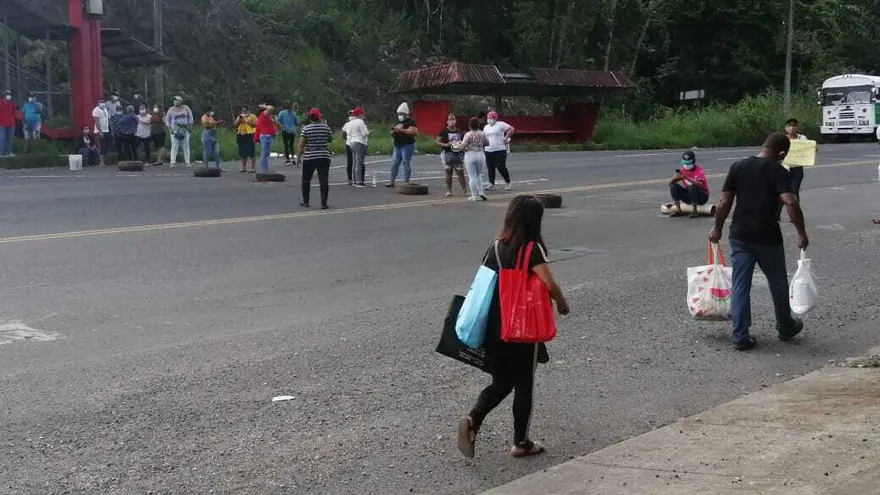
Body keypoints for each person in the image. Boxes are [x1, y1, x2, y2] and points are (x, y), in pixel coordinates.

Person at [457, 195, 570, 459]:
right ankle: (521, 442)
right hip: (520, 327)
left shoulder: (494, 247)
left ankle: (473, 420)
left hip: (492, 328)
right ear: (533, 221)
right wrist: (562, 303)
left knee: (502, 381)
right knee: (524, 384)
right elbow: (549, 284)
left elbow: (484, 285)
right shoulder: (530, 250)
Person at [709, 132, 808, 351]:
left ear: (763, 146)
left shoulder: (738, 166)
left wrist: (717, 227)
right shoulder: (778, 171)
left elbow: (725, 200)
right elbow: (790, 202)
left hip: (740, 235)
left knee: (740, 285)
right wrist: (801, 232)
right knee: (778, 283)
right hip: (767, 237)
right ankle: (785, 326)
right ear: (782, 153)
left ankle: (740, 336)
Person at [297, 108, 333, 209]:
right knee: (323, 180)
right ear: (319, 117)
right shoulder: (326, 128)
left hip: (310, 156)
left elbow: (301, 144)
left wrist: (298, 157)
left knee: (306, 180)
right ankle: (324, 203)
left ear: (310, 118)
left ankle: (306, 201)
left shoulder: (306, 129)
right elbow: (330, 139)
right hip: (324, 156)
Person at [668, 150, 710, 218]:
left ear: (693, 162)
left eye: (688, 163)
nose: (686, 165)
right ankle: (678, 210)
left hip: (701, 196)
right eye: (685, 163)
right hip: (689, 196)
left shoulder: (699, 170)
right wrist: (675, 178)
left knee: (692, 187)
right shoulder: (683, 170)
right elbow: (669, 184)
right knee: (673, 186)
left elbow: (700, 185)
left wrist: (687, 178)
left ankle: (694, 211)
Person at [436, 113, 468, 197]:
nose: (451, 121)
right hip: (447, 154)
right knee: (448, 172)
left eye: (453, 119)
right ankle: (449, 191)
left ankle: (465, 191)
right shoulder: (444, 131)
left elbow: (464, 141)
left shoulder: (459, 131)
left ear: (455, 121)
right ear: (447, 121)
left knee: (460, 172)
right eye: (449, 119)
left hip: (458, 154)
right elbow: (437, 141)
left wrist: (463, 146)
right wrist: (445, 145)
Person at [387, 102, 418, 187]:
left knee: (405, 162)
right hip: (397, 144)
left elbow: (413, 132)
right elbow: (392, 132)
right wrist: (393, 132)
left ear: (405, 114)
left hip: (407, 144)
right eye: (398, 114)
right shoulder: (397, 122)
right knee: (395, 162)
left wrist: (401, 130)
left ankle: (406, 181)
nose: (399, 115)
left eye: (401, 114)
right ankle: (392, 181)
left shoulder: (410, 122)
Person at [483, 111, 515, 190]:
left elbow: (511, 129)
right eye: (488, 118)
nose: (490, 119)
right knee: (490, 167)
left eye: (491, 118)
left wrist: (506, 137)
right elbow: (484, 136)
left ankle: (507, 182)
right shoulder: (486, 127)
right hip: (489, 149)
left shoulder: (500, 124)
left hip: (499, 149)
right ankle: (491, 183)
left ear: (495, 118)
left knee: (501, 167)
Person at [460, 118, 489, 201]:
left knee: (472, 176)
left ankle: (474, 195)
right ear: (478, 125)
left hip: (470, 155)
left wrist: (458, 146)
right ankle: (481, 193)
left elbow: (462, 147)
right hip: (480, 154)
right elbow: (487, 143)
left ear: (469, 126)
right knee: (478, 175)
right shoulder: (482, 134)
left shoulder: (468, 134)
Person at [165, 96, 194, 167]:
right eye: (174, 100)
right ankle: (172, 162)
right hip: (175, 129)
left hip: (185, 129)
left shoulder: (186, 108)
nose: (175, 101)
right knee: (175, 145)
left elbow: (190, 117)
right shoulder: (171, 109)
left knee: (186, 145)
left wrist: (190, 125)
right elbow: (167, 120)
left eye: (177, 100)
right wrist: (170, 129)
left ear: (181, 101)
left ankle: (187, 161)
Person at [345, 107, 369, 187]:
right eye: (362, 113)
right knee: (359, 162)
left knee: (355, 162)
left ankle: (355, 180)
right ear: (360, 114)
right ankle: (359, 181)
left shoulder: (351, 122)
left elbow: (347, 132)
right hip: (359, 142)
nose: (363, 115)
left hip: (351, 142)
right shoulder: (360, 122)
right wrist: (368, 132)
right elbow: (364, 133)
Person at [784, 118, 808, 199]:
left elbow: (808, 149)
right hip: (784, 168)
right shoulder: (782, 138)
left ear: (797, 127)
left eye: (794, 125)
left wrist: (813, 149)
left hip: (797, 168)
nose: (792, 127)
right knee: (783, 192)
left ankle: (795, 210)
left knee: (794, 191)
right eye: (789, 125)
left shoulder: (802, 138)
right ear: (786, 128)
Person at [254, 105, 277, 174]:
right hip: (265, 136)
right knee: (264, 154)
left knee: (266, 154)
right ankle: (264, 171)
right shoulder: (263, 115)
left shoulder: (266, 117)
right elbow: (271, 108)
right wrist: (264, 106)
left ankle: (265, 170)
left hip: (267, 136)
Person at [234, 106, 258, 173]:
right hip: (241, 134)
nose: (244, 112)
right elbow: (235, 125)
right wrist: (239, 119)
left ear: (248, 110)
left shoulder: (252, 116)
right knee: (242, 152)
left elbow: (255, 125)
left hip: (250, 134)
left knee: (251, 152)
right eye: (243, 110)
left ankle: (252, 167)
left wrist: (246, 120)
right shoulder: (240, 116)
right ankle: (243, 167)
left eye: (245, 110)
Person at [277, 101, 299, 165]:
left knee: (286, 145)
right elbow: (297, 122)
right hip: (292, 131)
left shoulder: (282, 113)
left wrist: (282, 125)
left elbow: (278, 120)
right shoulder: (294, 113)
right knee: (291, 145)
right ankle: (292, 158)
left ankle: (288, 159)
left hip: (285, 130)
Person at [92, 99, 110, 166]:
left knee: (105, 146)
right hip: (99, 131)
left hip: (106, 130)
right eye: (101, 102)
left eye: (103, 102)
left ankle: (104, 161)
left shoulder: (105, 109)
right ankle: (101, 162)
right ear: (98, 103)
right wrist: (100, 131)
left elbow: (107, 119)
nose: (102, 103)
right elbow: (97, 122)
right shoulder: (96, 110)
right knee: (101, 146)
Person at [342, 109, 356, 184]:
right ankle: (351, 178)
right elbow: (343, 135)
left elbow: (343, 135)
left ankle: (354, 178)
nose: (351, 116)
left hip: (352, 144)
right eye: (350, 114)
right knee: (351, 162)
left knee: (353, 161)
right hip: (351, 144)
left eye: (353, 114)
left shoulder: (350, 124)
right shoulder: (347, 124)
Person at [0, 90, 16, 157]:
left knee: (10, 139)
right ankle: (1, 153)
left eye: (10, 95)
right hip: (2, 124)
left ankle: (9, 152)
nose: (9, 96)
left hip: (11, 124)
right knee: (2, 139)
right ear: (4, 95)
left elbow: (13, 112)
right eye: (7, 95)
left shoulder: (12, 103)